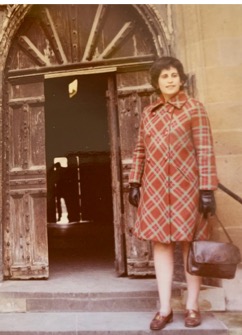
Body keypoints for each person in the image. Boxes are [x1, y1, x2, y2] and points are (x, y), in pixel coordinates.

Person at [128, 56, 218, 330]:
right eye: (163, 76)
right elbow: (141, 149)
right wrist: (134, 181)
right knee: (161, 245)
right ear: (156, 82)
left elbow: (205, 150)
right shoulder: (149, 113)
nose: (169, 79)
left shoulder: (194, 109)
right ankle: (165, 309)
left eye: (173, 75)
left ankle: (192, 307)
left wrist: (207, 189)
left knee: (191, 245)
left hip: (187, 189)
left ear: (181, 79)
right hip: (155, 189)